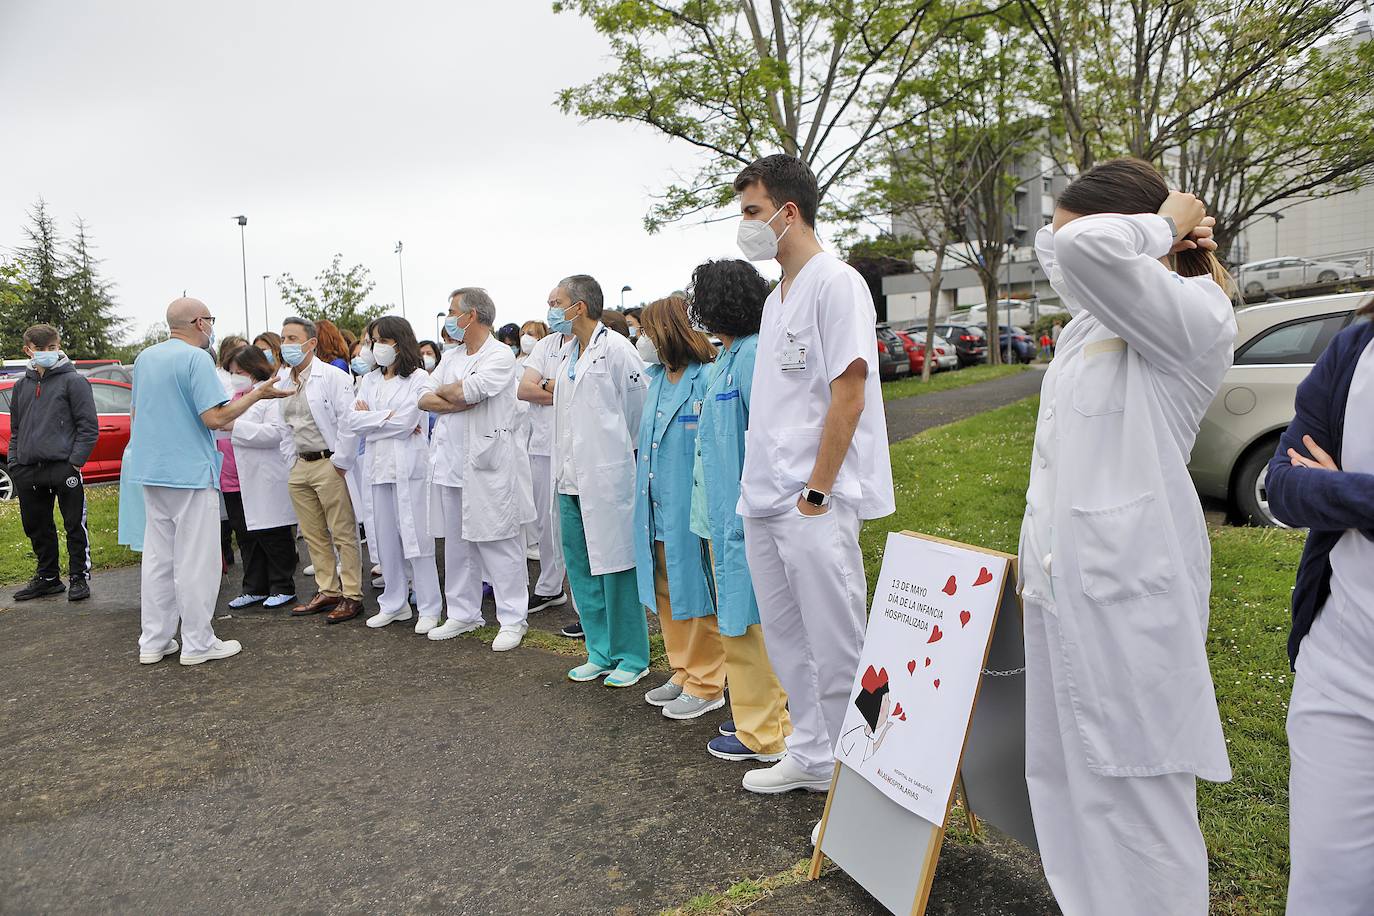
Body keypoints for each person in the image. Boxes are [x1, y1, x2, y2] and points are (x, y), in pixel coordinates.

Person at [1019, 159, 1235, 915]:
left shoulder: (1191, 313)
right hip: (1056, 586)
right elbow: (1067, 251)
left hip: (1129, 591)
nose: (1059, 252)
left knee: (1138, 790)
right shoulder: (1090, 324)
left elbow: (1082, 250)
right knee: (1065, 783)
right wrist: (1156, 226)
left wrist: (1173, 217)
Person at [732, 154, 895, 795]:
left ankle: (865, 780)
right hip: (765, 496)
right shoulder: (777, 301)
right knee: (786, 639)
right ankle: (811, 753)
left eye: (751, 212)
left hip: (813, 498)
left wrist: (818, 489)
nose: (744, 226)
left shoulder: (837, 282)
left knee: (838, 645)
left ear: (787, 212)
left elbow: (848, 393)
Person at [1265, 297, 1374, 915]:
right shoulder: (1355, 348)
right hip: (1341, 668)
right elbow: (1282, 486)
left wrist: (1336, 488)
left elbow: (1311, 488)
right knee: (1324, 896)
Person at [119, 297, 291, 665]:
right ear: (199, 322)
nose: (212, 326)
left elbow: (136, 412)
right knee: (197, 561)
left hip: (152, 469)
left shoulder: (146, 358)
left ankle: (153, 641)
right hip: (190, 472)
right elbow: (215, 418)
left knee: (158, 560)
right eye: (210, 319)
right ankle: (198, 642)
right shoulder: (196, 358)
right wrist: (257, 394)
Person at [687, 259, 793, 763]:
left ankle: (764, 733)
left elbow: (767, 436)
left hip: (746, 514)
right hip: (721, 515)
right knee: (740, 619)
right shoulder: (727, 357)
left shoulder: (751, 357)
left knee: (749, 622)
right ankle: (761, 714)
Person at [419, 288, 535, 649]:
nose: (449, 317)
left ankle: (514, 618)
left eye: (453, 311)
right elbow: (424, 397)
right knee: (457, 546)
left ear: (471, 316)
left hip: (489, 465)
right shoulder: (451, 357)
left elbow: (472, 391)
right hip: (451, 465)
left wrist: (454, 397)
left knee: (499, 541)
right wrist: (456, 398)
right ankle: (463, 613)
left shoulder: (499, 355)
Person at [548, 275, 650, 686]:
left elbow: (637, 413)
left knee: (616, 567)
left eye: (556, 302)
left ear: (580, 306)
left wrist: (616, 459)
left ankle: (631, 655)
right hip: (571, 478)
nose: (551, 309)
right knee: (582, 568)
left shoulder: (617, 350)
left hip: (607, 478)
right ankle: (599, 650)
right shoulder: (567, 353)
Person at [632, 296, 727, 719]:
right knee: (667, 589)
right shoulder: (656, 379)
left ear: (669, 331)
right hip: (656, 504)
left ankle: (708, 683)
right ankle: (684, 669)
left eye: (648, 332)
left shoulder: (705, 378)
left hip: (690, 507)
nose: (642, 340)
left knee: (697, 592)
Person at [347, 316, 442, 631]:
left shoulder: (418, 379)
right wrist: (386, 419)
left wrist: (373, 421)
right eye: (373, 340)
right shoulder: (370, 380)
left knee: (416, 538)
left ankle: (429, 607)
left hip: (409, 470)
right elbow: (353, 421)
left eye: (382, 341)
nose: (376, 347)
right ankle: (395, 602)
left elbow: (406, 424)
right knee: (384, 539)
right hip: (377, 469)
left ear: (400, 343)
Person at [276, 316, 367, 624]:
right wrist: (292, 463)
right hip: (301, 465)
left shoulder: (332, 376)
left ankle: (352, 594)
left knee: (342, 531)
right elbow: (283, 427)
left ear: (310, 343)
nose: (285, 344)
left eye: (291, 338)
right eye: (283, 338)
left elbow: (348, 423)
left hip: (330, 463)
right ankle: (327, 589)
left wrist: (340, 463)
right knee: (313, 534)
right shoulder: (283, 380)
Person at [9, 324, 98, 603]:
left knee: (74, 524)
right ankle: (48, 578)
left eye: (52, 347)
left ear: (58, 346)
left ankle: (78, 577)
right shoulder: (21, 386)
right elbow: (16, 430)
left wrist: (74, 463)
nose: (48, 353)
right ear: (28, 351)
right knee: (37, 525)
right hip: (28, 469)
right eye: (41, 349)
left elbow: (88, 427)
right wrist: (15, 463)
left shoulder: (74, 381)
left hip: (64, 468)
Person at [222, 345, 298, 609]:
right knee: (246, 536)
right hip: (235, 477)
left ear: (254, 368)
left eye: (239, 371)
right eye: (232, 372)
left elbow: (276, 433)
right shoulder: (237, 396)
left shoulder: (270, 393)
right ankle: (254, 586)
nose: (235, 376)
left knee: (272, 531)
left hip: (265, 474)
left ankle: (282, 584)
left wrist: (236, 427)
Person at [517, 317, 574, 631]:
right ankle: (550, 588)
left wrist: (549, 385)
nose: (554, 311)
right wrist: (559, 389)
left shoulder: (591, 344)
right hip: (540, 447)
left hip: (575, 445)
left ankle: (585, 606)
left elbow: (586, 391)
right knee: (545, 521)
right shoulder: (545, 345)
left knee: (575, 524)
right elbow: (524, 390)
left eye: (559, 304)